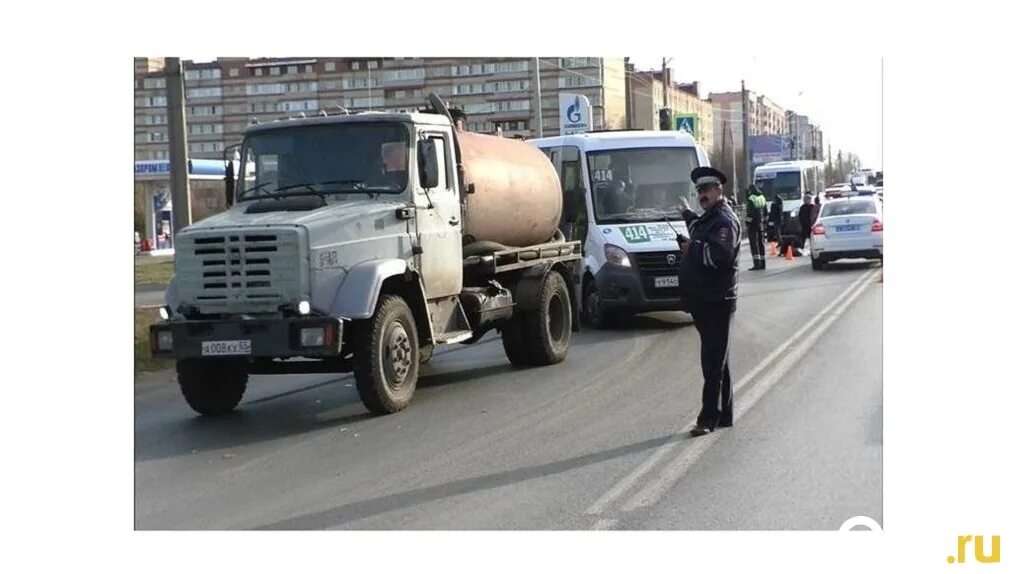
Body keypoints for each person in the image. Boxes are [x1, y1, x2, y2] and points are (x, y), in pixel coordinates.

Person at [676, 166, 741, 437]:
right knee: (719, 360)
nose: (702, 194)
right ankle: (724, 415)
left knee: (712, 362)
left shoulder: (724, 221)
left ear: (719, 190)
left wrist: (691, 248)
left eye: (707, 190)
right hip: (705, 301)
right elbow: (698, 227)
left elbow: (719, 257)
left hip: (717, 301)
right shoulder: (709, 218)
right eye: (699, 191)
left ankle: (708, 419)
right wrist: (686, 214)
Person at [745, 184, 767, 270]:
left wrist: (747, 222)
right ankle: (763, 264)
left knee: (754, 244)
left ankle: (756, 264)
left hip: (753, 225)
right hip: (761, 224)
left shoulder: (751, 199)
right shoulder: (762, 197)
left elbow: (750, 213)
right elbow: (765, 212)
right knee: (761, 243)